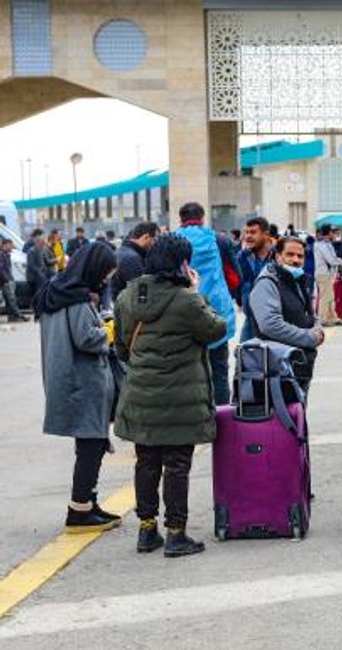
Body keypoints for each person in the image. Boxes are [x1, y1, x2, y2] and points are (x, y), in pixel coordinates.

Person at [113, 234, 228, 557]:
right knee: (176, 465)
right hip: (181, 401)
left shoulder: (127, 296)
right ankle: (176, 534)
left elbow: (122, 348)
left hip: (140, 398)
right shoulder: (186, 299)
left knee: (146, 462)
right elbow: (216, 330)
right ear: (183, 263)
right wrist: (195, 291)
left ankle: (147, 531)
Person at [36, 241, 120, 533]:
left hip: (64, 376)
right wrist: (110, 329)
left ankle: (87, 503)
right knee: (92, 444)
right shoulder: (77, 298)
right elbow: (87, 337)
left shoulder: (54, 290)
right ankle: (80, 510)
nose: (107, 278)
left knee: (88, 442)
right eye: (107, 272)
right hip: (84, 380)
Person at [173, 202, 237, 406]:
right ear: (202, 217)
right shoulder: (220, 239)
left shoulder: (172, 240)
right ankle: (222, 420)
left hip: (183, 310)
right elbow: (235, 275)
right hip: (217, 310)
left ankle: (195, 419)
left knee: (188, 371)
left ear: (180, 218)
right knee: (219, 369)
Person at [248, 235, 325, 395]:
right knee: (285, 417)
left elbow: (309, 313)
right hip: (278, 369)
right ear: (278, 256)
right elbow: (270, 324)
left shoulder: (297, 279)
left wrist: (318, 328)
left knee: (298, 415)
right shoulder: (268, 282)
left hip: (300, 364)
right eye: (290, 255)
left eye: (300, 256)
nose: (296, 260)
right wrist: (309, 337)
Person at [237, 216, 276, 341]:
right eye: (246, 232)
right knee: (242, 355)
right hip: (251, 317)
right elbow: (241, 282)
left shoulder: (279, 255)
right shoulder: (243, 256)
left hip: (274, 319)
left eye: (253, 232)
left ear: (265, 234)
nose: (248, 236)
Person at [110, 222, 159, 302]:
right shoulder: (132, 259)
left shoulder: (123, 251)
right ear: (146, 237)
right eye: (154, 239)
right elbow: (141, 292)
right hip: (128, 308)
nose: (155, 243)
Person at [313, 224, 342, 327]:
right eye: (332, 232)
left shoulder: (327, 244)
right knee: (325, 297)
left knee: (330, 296)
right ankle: (322, 318)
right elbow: (330, 260)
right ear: (328, 233)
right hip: (323, 273)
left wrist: (337, 261)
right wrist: (340, 262)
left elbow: (333, 258)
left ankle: (332, 318)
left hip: (327, 273)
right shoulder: (321, 245)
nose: (334, 234)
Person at [1, 238, 25, 321]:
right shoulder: (1, 254)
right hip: (5, 281)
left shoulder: (7, 254)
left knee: (9, 299)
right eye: (10, 245)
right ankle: (19, 315)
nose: (11, 247)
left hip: (8, 280)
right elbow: (1, 269)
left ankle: (12, 317)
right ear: (4, 245)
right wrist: (7, 280)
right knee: (11, 299)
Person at [26, 230, 49, 304]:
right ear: (37, 242)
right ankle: (36, 311)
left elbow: (42, 263)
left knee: (40, 294)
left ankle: (39, 310)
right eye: (42, 243)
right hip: (34, 278)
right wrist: (40, 273)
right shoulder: (31, 251)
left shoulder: (40, 250)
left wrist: (44, 271)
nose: (43, 245)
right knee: (36, 295)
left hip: (40, 276)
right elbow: (31, 265)